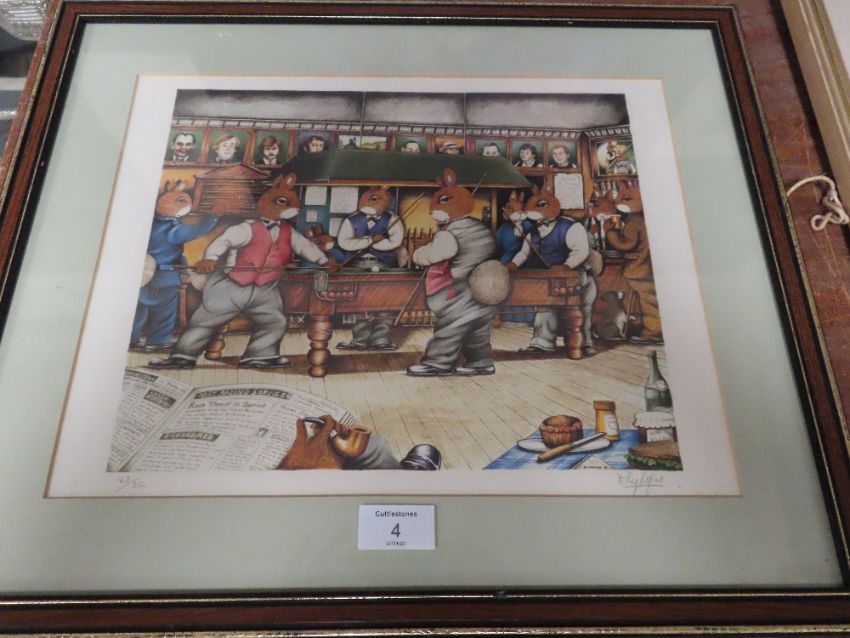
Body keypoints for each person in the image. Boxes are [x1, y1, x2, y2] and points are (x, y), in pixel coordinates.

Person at [149, 173, 331, 370]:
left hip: (265, 287)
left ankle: (261, 355)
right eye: (283, 202)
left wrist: (323, 260)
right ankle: (182, 356)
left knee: (275, 321)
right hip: (232, 284)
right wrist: (211, 258)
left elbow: (305, 247)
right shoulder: (246, 228)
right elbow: (223, 241)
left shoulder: (288, 231)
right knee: (206, 320)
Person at [406, 168, 498, 377]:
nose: (433, 211)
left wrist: (419, 253)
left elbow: (435, 254)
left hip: (459, 289)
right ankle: (480, 362)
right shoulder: (480, 228)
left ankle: (438, 363)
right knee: (478, 327)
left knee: (451, 325)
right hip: (484, 287)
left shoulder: (451, 232)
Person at [510, 185, 598, 357]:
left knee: (581, 311)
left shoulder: (571, 227)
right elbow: (524, 253)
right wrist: (512, 265)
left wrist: (566, 266)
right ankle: (542, 343)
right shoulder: (533, 231)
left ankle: (585, 343)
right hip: (548, 278)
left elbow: (580, 251)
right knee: (543, 304)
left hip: (575, 276)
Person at [132, 181, 217, 351]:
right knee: (165, 312)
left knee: (139, 310)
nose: (187, 206)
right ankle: (158, 341)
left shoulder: (154, 224)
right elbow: (192, 231)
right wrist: (214, 217)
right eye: (181, 201)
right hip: (163, 278)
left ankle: (131, 339)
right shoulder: (171, 230)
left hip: (144, 276)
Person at [335, 186, 404, 351]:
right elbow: (344, 242)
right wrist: (370, 241)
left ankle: (381, 339)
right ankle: (360, 339)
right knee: (359, 301)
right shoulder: (352, 219)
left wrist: (374, 243)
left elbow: (396, 241)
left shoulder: (393, 218)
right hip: (357, 264)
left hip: (384, 264)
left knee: (385, 300)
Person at [604, 184, 662, 343]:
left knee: (649, 301)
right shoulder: (645, 218)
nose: (619, 203)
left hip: (640, 268)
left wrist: (611, 232)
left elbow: (625, 245)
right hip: (648, 266)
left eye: (626, 199)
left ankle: (652, 333)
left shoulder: (635, 222)